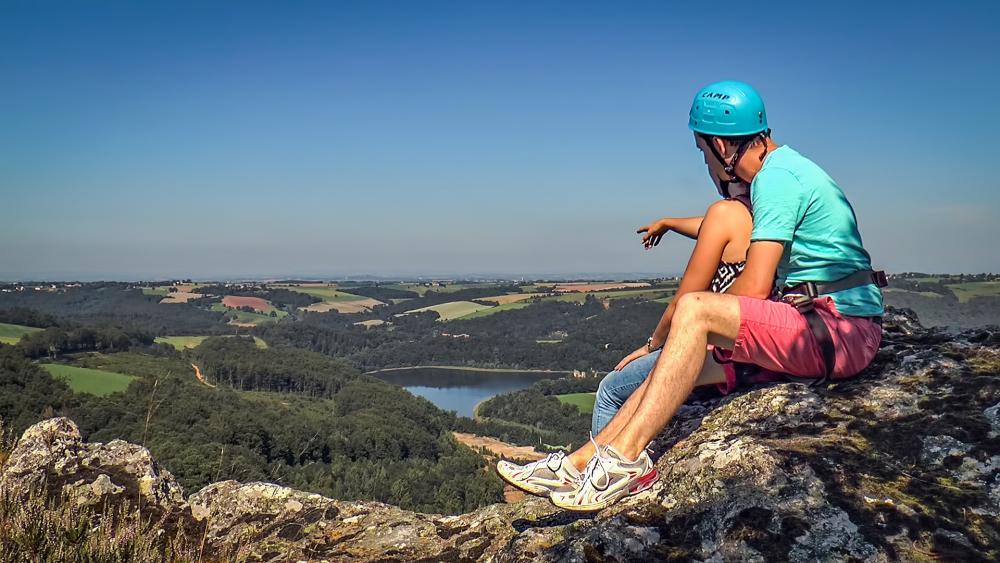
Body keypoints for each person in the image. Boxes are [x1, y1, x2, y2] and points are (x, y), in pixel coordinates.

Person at [503, 80, 886, 511]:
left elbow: (756, 287)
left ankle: (625, 461)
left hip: (836, 330)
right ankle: (580, 463)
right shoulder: (785, 171)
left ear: (721, 145)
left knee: (693, 310)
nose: (705, 161)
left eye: (703, 151)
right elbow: (732, 234)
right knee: (672, 365)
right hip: (824, 326)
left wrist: (701, 319)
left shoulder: (776, 180)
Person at [497, 176, 756, 497]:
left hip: (709, 345)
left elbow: (682, 302)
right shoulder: (758, 215)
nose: (707, 167)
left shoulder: (727, 212)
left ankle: (594, 474)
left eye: (706, 157)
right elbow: (709, 226)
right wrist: (670, 223)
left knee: (611, 389)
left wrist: (651, 345)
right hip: (735, 345)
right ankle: (591, 466)